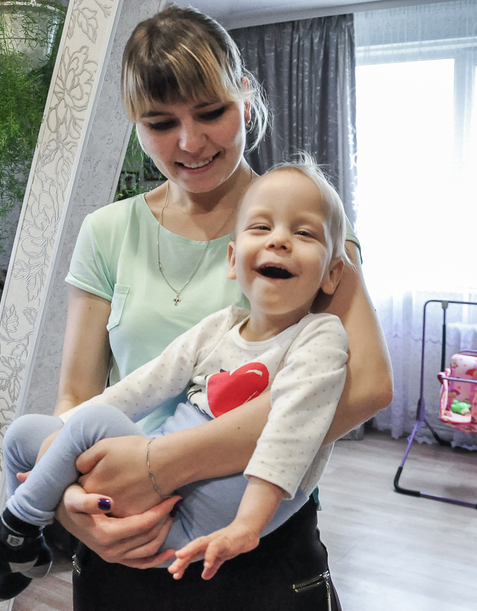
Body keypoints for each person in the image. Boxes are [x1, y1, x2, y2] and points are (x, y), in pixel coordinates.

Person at [37, 5, 392, 610]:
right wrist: (72, 505)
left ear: (245, 98)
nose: (190, 142)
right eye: (160, 122)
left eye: (210, 113)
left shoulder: (305, 221)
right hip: (120, 542)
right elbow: (76, 394)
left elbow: (364, 387)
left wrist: (158, 465)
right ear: (134, 122)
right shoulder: (105, 232)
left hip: (257, 540)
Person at [0, 158, 351, 599]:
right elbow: (140, 388)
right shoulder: (221, 326)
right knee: (23, 435)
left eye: (304, 233)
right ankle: (29, 546)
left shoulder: (321, 335)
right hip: (158, 494)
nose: (279, 240)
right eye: (261, 227)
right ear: (233, 261)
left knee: (89, 424)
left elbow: (292, 432)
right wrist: (61, 449)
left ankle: (13, 529)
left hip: (225, 511)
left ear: (332, 273)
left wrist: (247, 526)